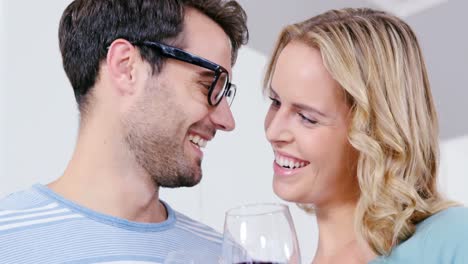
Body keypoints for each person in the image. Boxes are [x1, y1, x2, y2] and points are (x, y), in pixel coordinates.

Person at [0, 0, 248, 262]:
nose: (227, 120)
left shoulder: (224, 256)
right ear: (126, 66)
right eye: (207, 85)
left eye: (225, 93)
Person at [263, 7, 468, 264]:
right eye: (274, 102)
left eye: (307, 118)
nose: (272, 132)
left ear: (374, 130)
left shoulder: (454, 239)